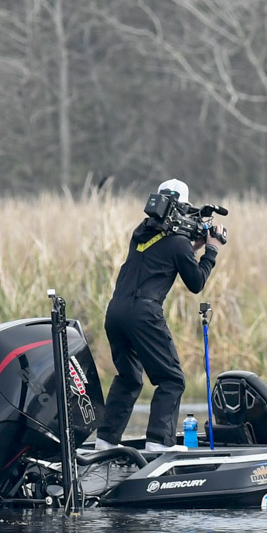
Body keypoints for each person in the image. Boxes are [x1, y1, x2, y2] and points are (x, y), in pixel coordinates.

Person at [96, 179, 226, 451]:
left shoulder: (141, 233)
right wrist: (211, 250)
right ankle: (158, 442)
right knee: (172, 379)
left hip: (116, 311)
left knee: (129, 378)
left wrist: (194, 244)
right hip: (143, 313)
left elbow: (165, 252)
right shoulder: (178, 243)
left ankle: (104, 441)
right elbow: (196, 283)